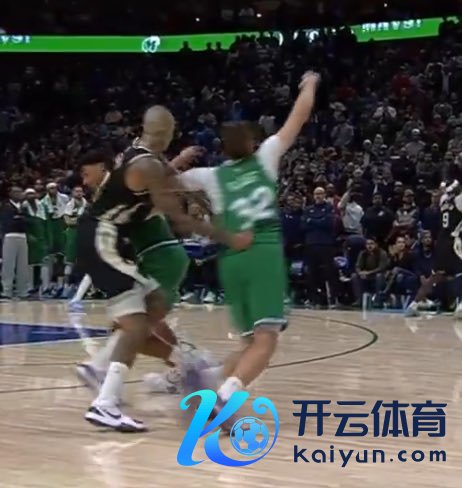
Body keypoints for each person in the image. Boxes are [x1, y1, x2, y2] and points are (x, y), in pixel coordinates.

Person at [77, 106, 251, 432]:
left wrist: (201, 199)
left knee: (148, 309)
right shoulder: (146, 165)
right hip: (102, 238)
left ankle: (178, 372)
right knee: (139, 319)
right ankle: (109, 396)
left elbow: (171, 182)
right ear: (168, 133)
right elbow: (179, 217)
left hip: (103, 240)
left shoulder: (141, 155)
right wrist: (229, 236)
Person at [177, 71, 319, 428]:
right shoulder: (266, 156)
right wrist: (310, 84)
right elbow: (298, 116)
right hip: (262, 252)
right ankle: (224, 398)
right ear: (253, 143)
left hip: (230, 260)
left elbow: (160, 180)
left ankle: (209, 381)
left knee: (249, 344)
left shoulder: (210, 176)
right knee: (266, 341)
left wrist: (178, 159)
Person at [406, 180, 462, 317]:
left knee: (435, 276)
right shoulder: (459, 200)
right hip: (454, 241)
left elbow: (445, 192)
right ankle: (460, 308)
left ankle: (413, 305)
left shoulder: (443, 200)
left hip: (441, 241)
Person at [0, 186, 29, 299]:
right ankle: (7, 291)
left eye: (20, 192)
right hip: (10, 235)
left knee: (23, 265)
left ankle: (23, 291)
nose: (19, 194)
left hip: (23, 236)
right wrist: (20, 219)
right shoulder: (6, 206)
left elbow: (27, 221)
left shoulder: (24, 206)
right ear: (11, 194)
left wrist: (19, 218)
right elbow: (8, 222)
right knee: (8, 265)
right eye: (16, 192)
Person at [63, 186, 88, 297]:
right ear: (72, 193)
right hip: (72, 235)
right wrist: (81, 220)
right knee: (70, 261)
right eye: (76, 191)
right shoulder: (69, 205)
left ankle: (84, 289)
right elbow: (68, 221)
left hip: (85, 234)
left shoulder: (87, 205)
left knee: (85, 262)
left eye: (80, 191)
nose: (79, 193)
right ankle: (66, 287)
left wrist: (76, 220)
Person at [23, 188, 48, 294]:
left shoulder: (42, 206)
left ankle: (38, 286)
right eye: (29, 194)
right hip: (29, 239)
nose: (31, 196)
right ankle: (29, 286)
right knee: (29, 264)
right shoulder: (23, 208)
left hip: (40, 239)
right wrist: (28, 235)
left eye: (33, 194)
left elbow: (46, 225)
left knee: (39, 263)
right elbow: (22, 224)